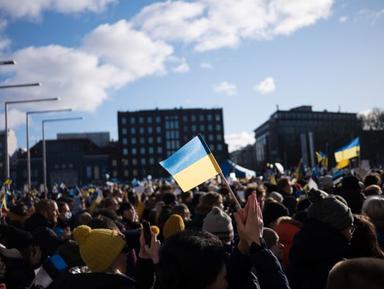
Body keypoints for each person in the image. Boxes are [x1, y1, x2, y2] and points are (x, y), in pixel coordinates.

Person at [288, 189, 354, 289]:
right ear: (337, 229)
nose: (351, 235)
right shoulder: (337, 269)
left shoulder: (299, 249)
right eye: (350, 228)